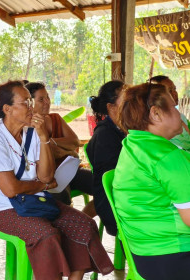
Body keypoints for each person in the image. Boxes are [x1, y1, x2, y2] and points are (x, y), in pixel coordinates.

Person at [0, 80, 113, 280]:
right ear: (8, 109)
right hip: (3, 210)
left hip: (35, 203)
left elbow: (48, 176)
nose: (31, 107)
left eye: (31, 102)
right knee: (46, 234)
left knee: (84, 225)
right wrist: (41, 185)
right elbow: (11, 190)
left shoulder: (31, 133)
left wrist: (43, 138)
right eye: (26, 102)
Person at [114, 82, 190, 280]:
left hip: (144, 254)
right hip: (175, 255)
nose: (179, 113)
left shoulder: (133, 145)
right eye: (174, 107)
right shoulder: (166, 156)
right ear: (156, 113)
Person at [26, 82, 95, 217]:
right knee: (59, 196)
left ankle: (84, 219)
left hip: (70, 171)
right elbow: (39, 155)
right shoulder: (26, 126)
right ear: (30, 103)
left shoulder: (55, 118)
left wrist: (49, 142)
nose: (47, 102)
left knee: (102, 185)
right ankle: (70, 227)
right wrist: (65, 150)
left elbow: (74, 141)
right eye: (41, 99)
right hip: (46, 178)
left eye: (48, 97)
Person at [86, 80, 125, 236]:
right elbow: (117, 181)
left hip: (124, 202)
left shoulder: (123, 130)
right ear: (111, 107)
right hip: (115, 209)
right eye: (126, 99)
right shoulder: (105, 136)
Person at [150, 75, 190, 151]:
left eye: (174, 89)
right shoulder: (154, 124)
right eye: (169, 91)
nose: (175, 93)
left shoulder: (182, 117)